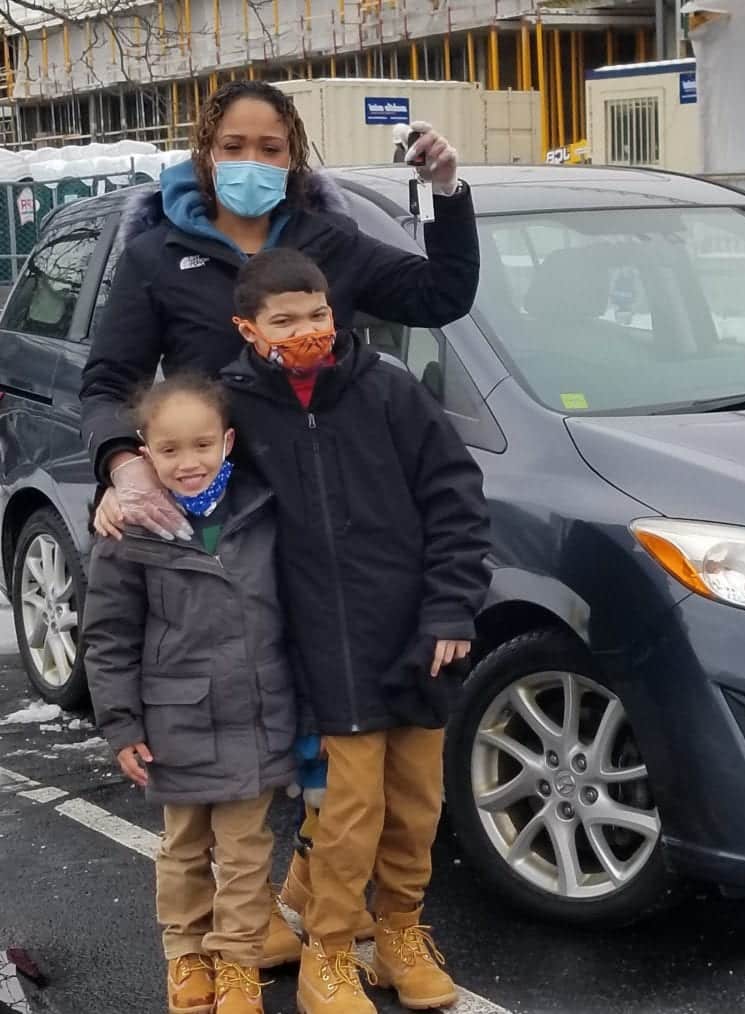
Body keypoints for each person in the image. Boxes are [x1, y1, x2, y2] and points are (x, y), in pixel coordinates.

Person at [79, 79, 480, 965]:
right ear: (204, 151)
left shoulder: (329, 242)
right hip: (229, 532)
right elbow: (107, 383)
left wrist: (447, 192)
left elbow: (442, 294)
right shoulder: (158, 255)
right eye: (235, 147)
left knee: (333, 735)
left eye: (270, 148)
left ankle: (320, 890)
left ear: (294, 153)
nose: (252, 165)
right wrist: (123, 461)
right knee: (246, 721)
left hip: (336, 528)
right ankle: (250, 913)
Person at [221, 247, 490, 1014]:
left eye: (318, 315)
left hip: (414, 639)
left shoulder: (389, 391)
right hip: (321, 651)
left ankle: (400, 932)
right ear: (248, 328)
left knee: (416, 805)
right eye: (285, 321)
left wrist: (449, 606)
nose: (307, 331)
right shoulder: (234, 409)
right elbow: (210, 521)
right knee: (347, 810)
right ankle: (330, 952)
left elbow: (456, 502)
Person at [83, 374, 296, 1014]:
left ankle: (237, 961)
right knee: (183, 849)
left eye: (202, 445)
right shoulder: (129, 532)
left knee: (245, 852)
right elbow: (109, 635)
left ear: (228, 442)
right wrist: (121, 724)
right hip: (175, 722)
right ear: (145, 453)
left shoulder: (263, 513)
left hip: (256, 715)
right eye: (170, 450)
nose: (188, 462)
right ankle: (186, 954)